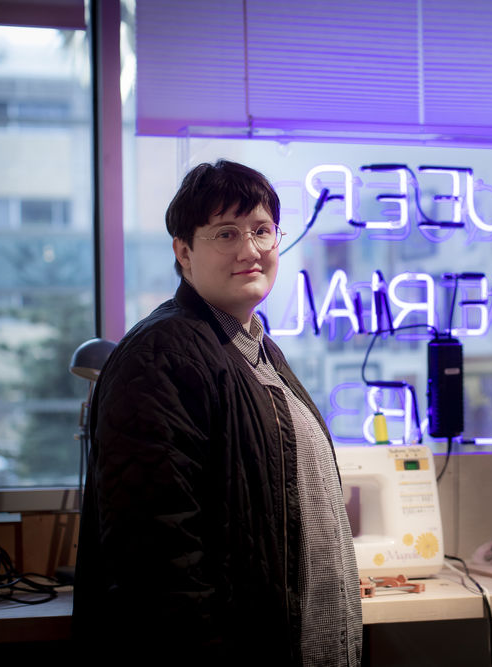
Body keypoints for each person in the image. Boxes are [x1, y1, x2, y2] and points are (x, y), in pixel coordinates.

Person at [73, 159, 362, 662]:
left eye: (262, 230)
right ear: (184, 253)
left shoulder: (260, 352)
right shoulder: (161, 355)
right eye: (226, 233)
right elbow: (157, 558)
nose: (249, 250)